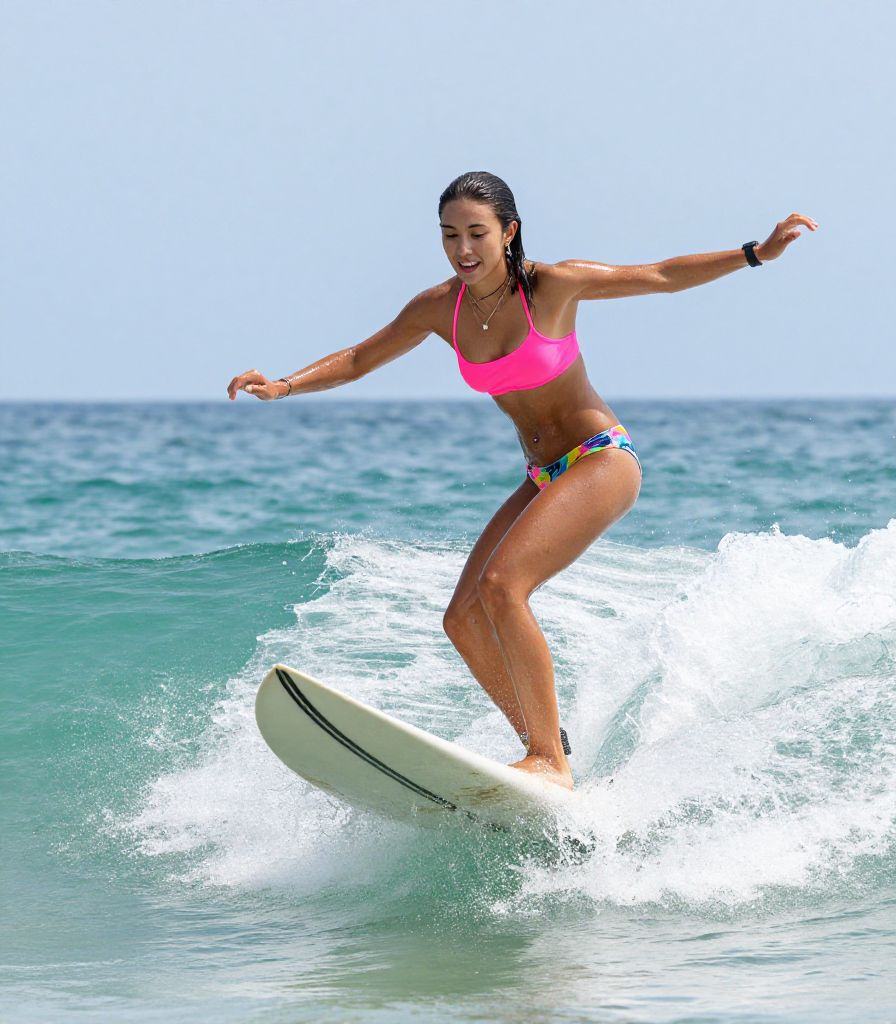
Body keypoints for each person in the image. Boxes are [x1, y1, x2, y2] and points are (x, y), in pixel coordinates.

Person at [228, 170, 818, 790]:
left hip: (600, 459)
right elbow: (360, 357)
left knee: (504, 585)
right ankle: (547, 745)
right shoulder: (439, 309)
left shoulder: (552, 287)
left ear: (508, 232)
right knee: (462, 618)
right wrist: (285, 384)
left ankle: (548, 761)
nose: (463, 250)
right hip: (545, 475)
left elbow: (660, 276)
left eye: (477, 234)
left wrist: (757, 252)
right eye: (450, 235)